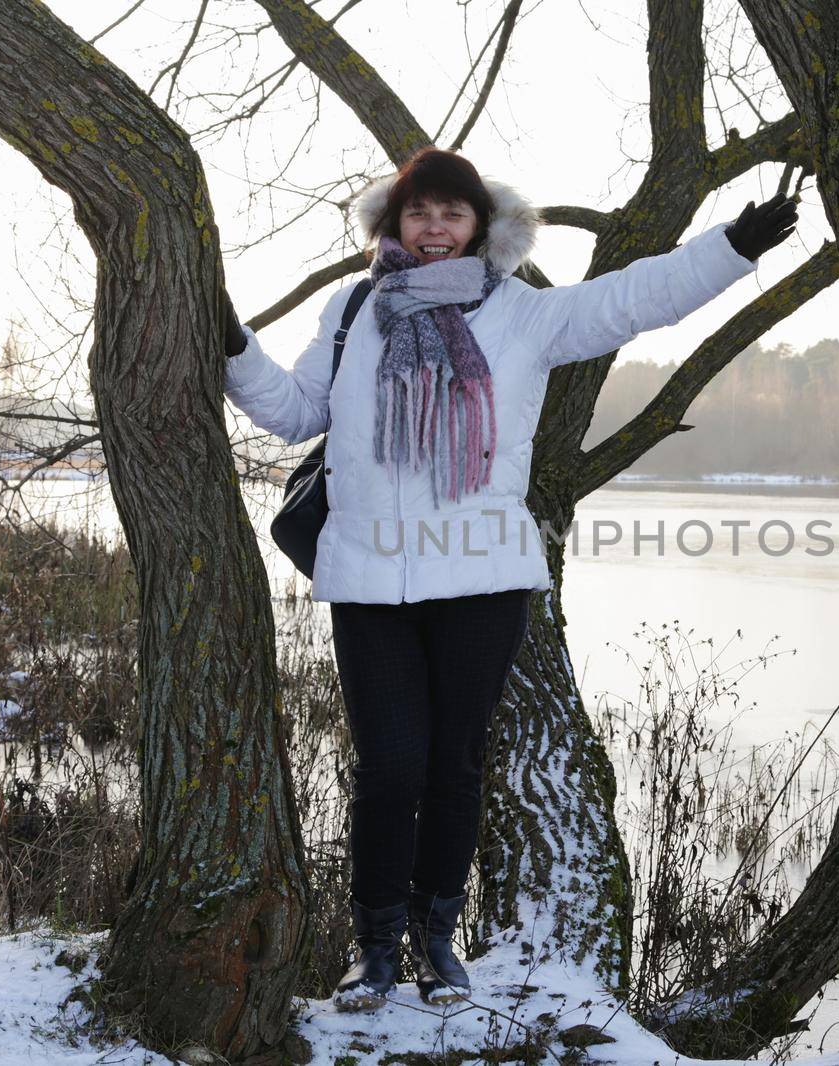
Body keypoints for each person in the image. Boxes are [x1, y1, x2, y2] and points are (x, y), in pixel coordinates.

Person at [221, 146, 797, 1012]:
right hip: (369, 580)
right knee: (388, 768)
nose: (435, 227)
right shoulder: (351, 312)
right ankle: (372, 946)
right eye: (419, 213)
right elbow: (295, 411)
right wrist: (232, 343)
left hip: (483, 580)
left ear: (481, 228)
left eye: (453, 213)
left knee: (453, 765)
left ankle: (436, 943)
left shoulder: (523, 316)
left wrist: (733, 246)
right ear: (394, 225)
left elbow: (633, 299)